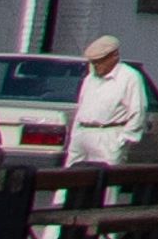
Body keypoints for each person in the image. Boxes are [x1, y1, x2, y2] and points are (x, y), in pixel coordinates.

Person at [65, 36, 152, 171]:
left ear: (114, 56)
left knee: (106, 183)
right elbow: (82, 106)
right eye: (93, 63)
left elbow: (138, 111)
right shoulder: (90, 78)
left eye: (99, 62)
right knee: (69, 178)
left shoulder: (129, 77)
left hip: (108, 136)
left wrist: (123, 140)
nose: (95, 66)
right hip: (82, 134)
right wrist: (75, 134)